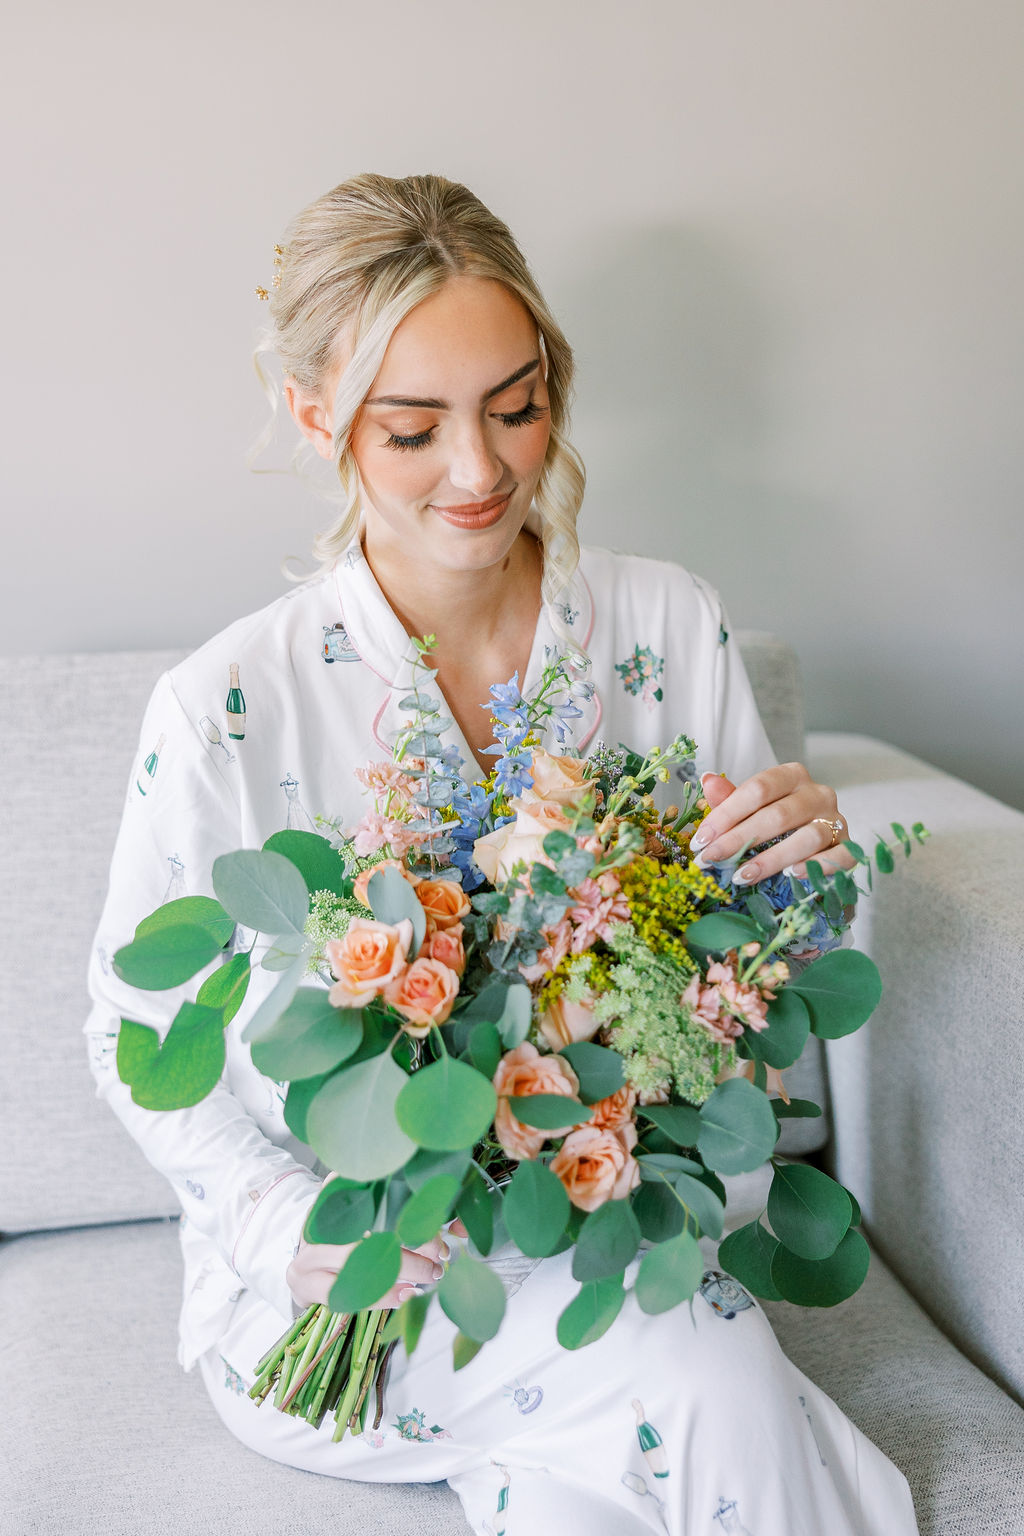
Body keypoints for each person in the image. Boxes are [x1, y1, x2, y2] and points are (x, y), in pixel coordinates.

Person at [85, 172, 919, 1535]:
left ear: (555, 384)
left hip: (621, 1238)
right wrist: (297, 1228)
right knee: (703, 1373)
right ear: (316, 417)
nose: (479, 472)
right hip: (363, 1295)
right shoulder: (229, 705)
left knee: (614, 1445)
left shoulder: (669, 625)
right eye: (412, 431)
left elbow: (754, 986)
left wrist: (801, 878)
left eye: (516, 408)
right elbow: (132, 1043)